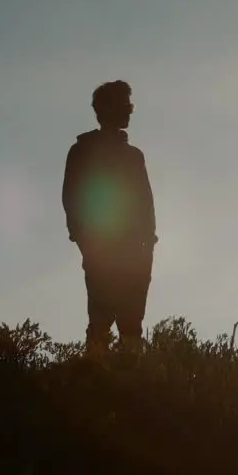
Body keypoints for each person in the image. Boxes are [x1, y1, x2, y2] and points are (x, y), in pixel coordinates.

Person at [62, 80, 157, 355]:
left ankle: (127, 384)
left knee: (130, 325)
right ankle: (98, 380)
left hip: (134, 253)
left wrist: (148, 243)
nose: (130, 111)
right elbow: (71, 198)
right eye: (126, 105)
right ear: (106, 109)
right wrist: (85, 240)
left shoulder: (133, 156)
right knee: (102, 320)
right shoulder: (83, 151)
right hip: (102, 250)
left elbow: (146, 204)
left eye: (131, 106)